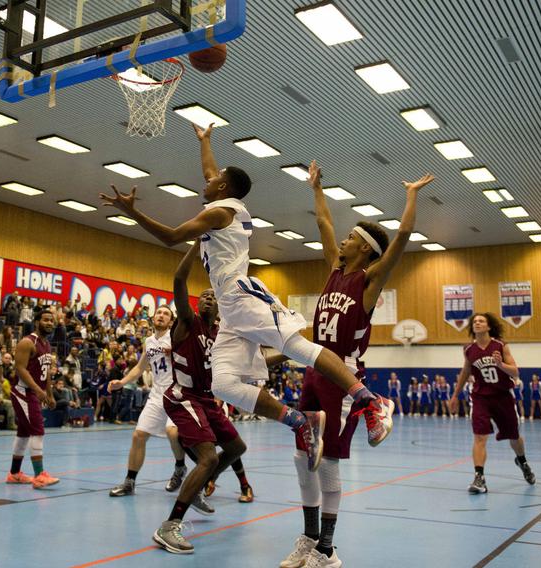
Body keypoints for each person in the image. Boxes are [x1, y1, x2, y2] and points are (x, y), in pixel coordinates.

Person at [100, 124, 394, 472]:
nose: (206, 181)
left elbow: (172, 236)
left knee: (296, 346)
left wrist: (132, 212)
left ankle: (370, 400)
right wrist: (205, 141)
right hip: (229, 306)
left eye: (213, 180)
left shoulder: (218, 212)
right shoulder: (226, 202)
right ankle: (299, 420)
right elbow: (211, 171)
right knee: (222, 383)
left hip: (242, 294)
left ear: (223, 187)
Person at [277, 161, 431, 568]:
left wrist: (411, 195)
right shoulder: (333, 270)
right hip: (313, 369)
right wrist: (316, 188)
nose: (341, 240)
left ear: (363, 247)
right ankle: (309, 538)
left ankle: (327, 550)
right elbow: (325, 224)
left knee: (327, 462)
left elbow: (402, 238)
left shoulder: (369, 281)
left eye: (350, 237)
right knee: (302, 457)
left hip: (342, 378)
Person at [153, 242, 247, 554]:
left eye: (212, 297)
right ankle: (169, 527)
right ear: (196, 303)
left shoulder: (219, 332)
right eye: (203, 296)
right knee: (207, 457)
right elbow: (179, 281)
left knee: (236, 447)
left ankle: (197, 483)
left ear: (219, 305)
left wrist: (293, 356)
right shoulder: (188, 322)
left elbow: (243, 364)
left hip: (206, 399)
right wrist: (197, 243)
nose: (208, 298)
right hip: (183, 396)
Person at [108, 305, 189, 497]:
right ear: (153, 318)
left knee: (172, 432)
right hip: (157, 395)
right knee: (139, 436)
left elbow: (190, 361)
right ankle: (129, 482)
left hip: (177, 393)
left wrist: (176, 353)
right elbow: (139, 367)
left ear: (171, 321)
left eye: (166, 314)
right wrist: (122, 381)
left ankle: (179, 467)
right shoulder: (149, 341)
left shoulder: (177, 338)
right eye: (158, 312)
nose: (161, 315)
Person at [449, 313, 535, 494]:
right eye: (475, 321)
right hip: (480, 397)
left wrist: (500, 364)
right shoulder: (469, 350)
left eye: (481, 321)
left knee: (514, 436)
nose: (477, 323)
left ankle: (522, 461)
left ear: (489, 326)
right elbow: (465, 372)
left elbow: (515, 372)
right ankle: (479, 478)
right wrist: (455, 396)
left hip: (502, 396)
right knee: (479, 437)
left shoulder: (500, 345)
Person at [5, 310, 59, 489]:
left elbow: (47, 373)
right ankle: (39, 475)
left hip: (34, 392)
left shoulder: (47, 344)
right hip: (23, 392)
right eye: (45, 320)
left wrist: (49, 394)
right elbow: (20, 369)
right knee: (38, 430)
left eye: (52, 320)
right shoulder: (27, 342)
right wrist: (38, 390)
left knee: (24, 433)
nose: (50, 323)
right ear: (37, 322)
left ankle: (14, 474)